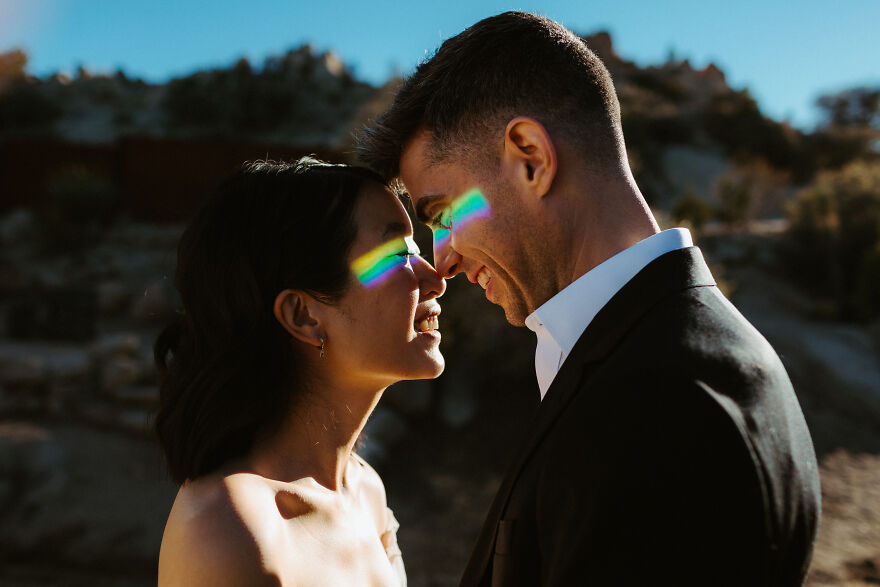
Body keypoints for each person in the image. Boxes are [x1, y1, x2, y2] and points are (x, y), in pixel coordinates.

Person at [357, 11, 821, 587]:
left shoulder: (669, 409)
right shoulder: (655, 355)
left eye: (445, 213)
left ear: (531, 157)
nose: (442, 259)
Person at [154, 157, 445, 586]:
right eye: (397, 254)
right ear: (304, 314)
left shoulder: (365, 491)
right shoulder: (227, 533)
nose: (435, 278)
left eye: (417, 250)